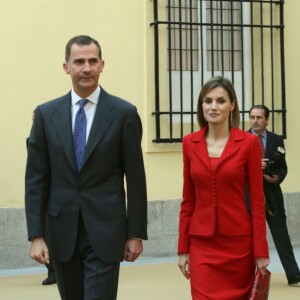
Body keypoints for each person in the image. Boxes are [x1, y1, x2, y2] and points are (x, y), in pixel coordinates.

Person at [25, 35, 147, 300]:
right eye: (79, 61)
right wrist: (36, 235)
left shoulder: (124, 113)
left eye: (93, 61)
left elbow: (136, 180)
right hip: (61, 232)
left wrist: (135, 233)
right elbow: (36, 179)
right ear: (66, 67)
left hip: (106, 232)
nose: (86, 68)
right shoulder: (46, 115)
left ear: (102, 65)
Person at [177, 76, 270, 299]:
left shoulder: (249, 144)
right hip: (202, 245)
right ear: (201, 105)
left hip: (239, 245)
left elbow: (258, 202)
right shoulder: (190, 143)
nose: (213, 107)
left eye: (220, 101)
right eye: (207, 101)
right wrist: (182, 249)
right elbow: (188, 200)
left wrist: (261, 251)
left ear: (232, 105)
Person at [249, 104, 300, 285]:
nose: (255, 121)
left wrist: (277, 177)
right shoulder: (241, 139)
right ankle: (248, 277)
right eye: (252, 117)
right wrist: (256, 166)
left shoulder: (276, 139)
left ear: (267, 120)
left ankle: (294, 274)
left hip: (272, 196)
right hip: (248, 198)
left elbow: (283, 166)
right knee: (249, 237)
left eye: (259, 117)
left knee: (281, 234)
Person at [27, 112, 56, 286]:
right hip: (45, 199)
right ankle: (52, 270)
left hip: (58, 196)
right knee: (46, 234)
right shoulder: (31, 140)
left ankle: (55, 270)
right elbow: (35, 170)